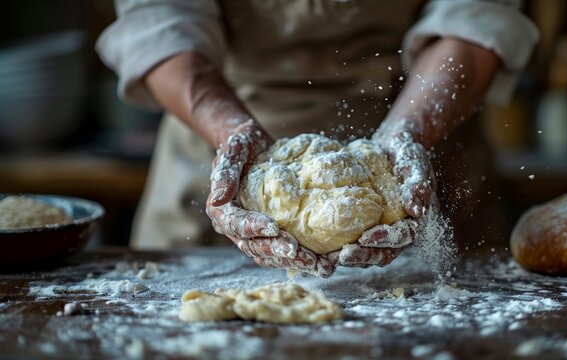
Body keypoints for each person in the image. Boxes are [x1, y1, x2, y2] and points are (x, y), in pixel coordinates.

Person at [97, 0, 539, 277]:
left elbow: (476, 18)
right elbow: (157, 24)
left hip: (422, 135)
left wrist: (409, 133)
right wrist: (233, 132)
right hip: (219, 141)